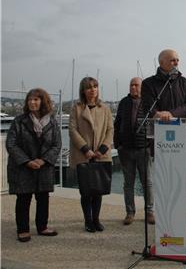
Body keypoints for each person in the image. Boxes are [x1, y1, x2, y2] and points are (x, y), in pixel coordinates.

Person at [141, 48, 186, 243]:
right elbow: (148, 108)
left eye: (177, 60)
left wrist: (172, 113)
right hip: (160, 143)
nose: (176, 63)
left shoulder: (183, 82)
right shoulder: (149, 84)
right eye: (172, 60)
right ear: (161, 62)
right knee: (165, 185)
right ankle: (168, 228)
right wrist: (159, 114)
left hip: (181, 143)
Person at [6, 88, 61, 242]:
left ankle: (42, 226)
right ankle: (23, 229)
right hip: (23, 167)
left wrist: (43, 160)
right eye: (30, 99)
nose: (32, 102)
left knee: (43, 198)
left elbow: (56, 145)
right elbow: (11, 144)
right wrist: (27, 161)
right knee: (23, 198)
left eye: (36, 99)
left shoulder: (52, 122)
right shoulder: (19, 121)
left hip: (43, 167)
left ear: (43, 101)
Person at [69, 77, 114, 233]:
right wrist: (85, 149)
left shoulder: (105, 108)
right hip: (84, 155)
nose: (92, 90)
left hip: (100, 155)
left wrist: (102, 149)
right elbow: (72, 130)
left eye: (95, 86)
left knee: (98, 190)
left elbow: (110, 130)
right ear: (83, 90)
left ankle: (96, 219)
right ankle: (88, 220)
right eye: (89, 87)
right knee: (86, 191)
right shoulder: (77, 108)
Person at [114, 77, 154, 225]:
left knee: (147, 182)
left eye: (136, 85)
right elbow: (117, 124)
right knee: (128, 183)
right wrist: (117, 144)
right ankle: (130, 212)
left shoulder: (149, 102)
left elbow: (154, 124)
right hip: (126, 150)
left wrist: (151, 145)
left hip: (144, 149)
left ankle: (149, 211)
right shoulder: (124, 102)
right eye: (131, 85)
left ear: (142, 87)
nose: (133, 87)